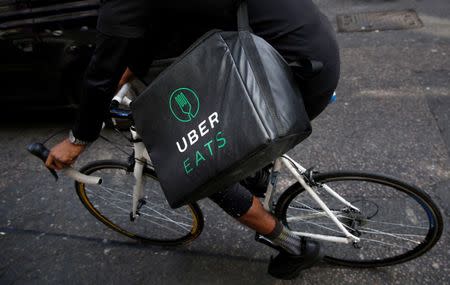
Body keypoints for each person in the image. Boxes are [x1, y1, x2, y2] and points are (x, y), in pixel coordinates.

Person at [45, 0, 340, 280]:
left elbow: (101, 73)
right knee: (224, 141)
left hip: (290, 71)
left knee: (202, 166)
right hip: (306, 44)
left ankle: (295, 247)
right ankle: (254, 173)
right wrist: (130, 70)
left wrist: (77, 139)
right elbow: (158, 25)